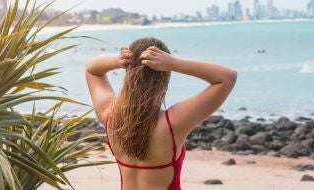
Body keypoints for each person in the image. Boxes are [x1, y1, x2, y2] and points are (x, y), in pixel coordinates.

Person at [85, 37, 237, 190]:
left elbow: (92, 70)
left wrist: (116, 60)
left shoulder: (109, 115)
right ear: (164, 76)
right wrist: (174, 63)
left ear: (128, 70)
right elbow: (227, 77)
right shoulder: (173, 123)